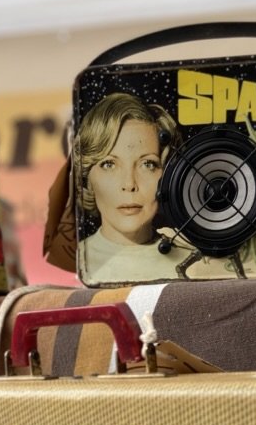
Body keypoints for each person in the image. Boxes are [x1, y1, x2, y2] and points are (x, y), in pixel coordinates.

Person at [74, 92, 193, 283]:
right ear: (88, 177)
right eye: (109, 164)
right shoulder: (71, 266)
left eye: (148, 164)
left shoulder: (196, 263)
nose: (129, 184)